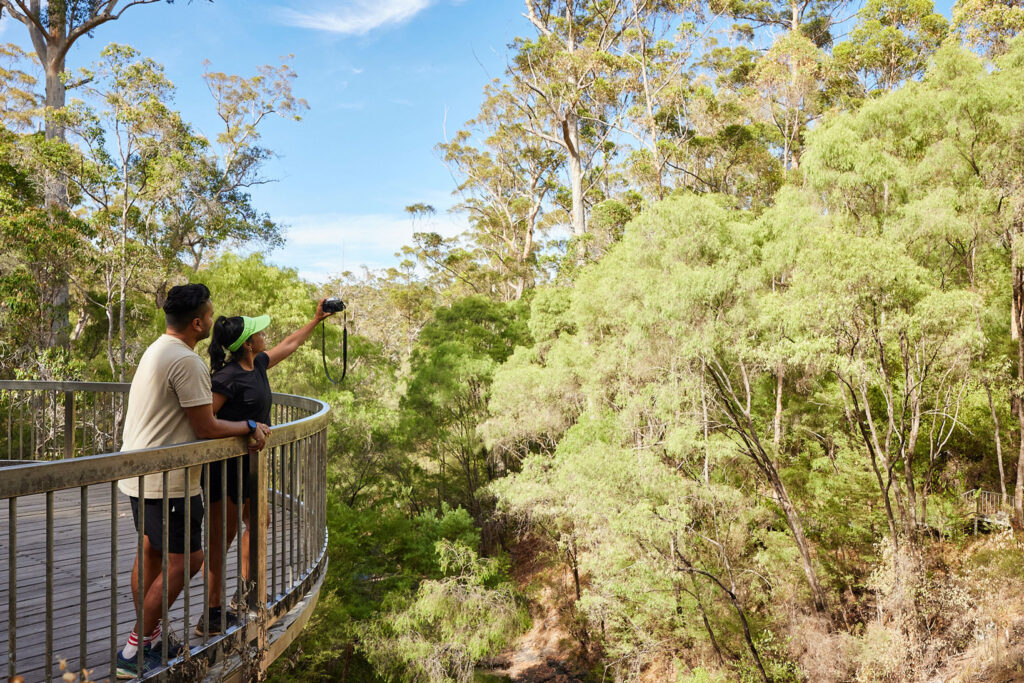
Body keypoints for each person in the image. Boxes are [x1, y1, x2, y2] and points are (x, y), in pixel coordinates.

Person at [115, 284, 271, 679]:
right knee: (189, 560)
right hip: (170, 481)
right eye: (210, 312)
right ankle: (135, 648)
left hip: (141, 473)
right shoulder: (187, 362)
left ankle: (150, 640)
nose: (213, 318)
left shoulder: (157, 349)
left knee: (151, 555)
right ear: (198, 322)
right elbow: (205, 427)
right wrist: (250, 425)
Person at [196, 298, 335, 636]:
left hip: (249, 467)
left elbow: (290, 344)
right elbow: (206, 421)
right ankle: (211, 616)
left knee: (259, 521)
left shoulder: (256, 365)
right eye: (258, 333)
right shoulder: (226, 378)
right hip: (223, 468)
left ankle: (243, 596)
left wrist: (315, 320)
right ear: (247, 343)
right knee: (221, 538)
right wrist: (246, 426)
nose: (264, 336)